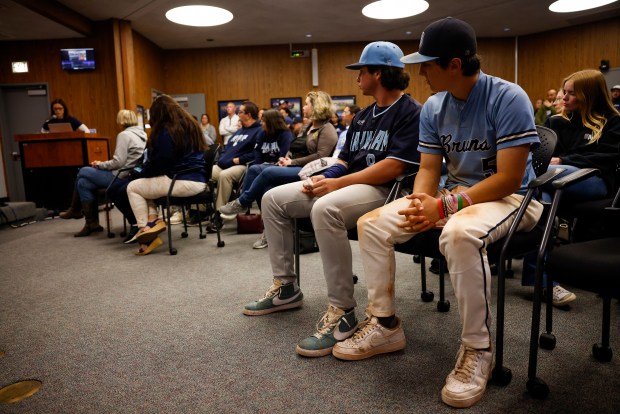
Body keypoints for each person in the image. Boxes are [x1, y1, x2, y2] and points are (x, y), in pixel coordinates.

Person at [331, 18, 543, 409]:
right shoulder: (434, 105)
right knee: (371, 224)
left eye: (427, 64)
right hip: (457, 194)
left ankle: (478, 349)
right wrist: (419, 205)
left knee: (458, 234)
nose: (420, 72)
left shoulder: (508, 97)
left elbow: (511, 178)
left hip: (513, 200)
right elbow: (428, 169)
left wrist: (444, 207)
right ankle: (385, 324)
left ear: (454, 66)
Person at [242, 41, 421, 358]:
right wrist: (325, 176)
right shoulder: (363, 116)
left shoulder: (410, 112)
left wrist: (338, 183)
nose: (357, 79)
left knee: (326, 208)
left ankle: (343, 310)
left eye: (361, 72)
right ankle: (286, 288)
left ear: (377, 73)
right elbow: (346, 159)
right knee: (272, 198)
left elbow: (395, 166)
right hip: (351, 183)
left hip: (388, 190)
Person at [522, 69, 620, 302]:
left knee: (537, 180)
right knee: (540, 194)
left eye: (571, 94)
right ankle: (546, 284)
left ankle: (511, 201)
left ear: (590, 95)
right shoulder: (557, 122)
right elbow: (539, 156)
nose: (563, 98)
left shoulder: (613, 122)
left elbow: (607, 158)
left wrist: (565, 160)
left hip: (595, 181)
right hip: (554, 180)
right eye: (564, 92)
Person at [219, 94, 337, 248]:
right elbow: (294, 148)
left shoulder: (327, 129)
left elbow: (321, 156)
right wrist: (285, 159)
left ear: (317, 106)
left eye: (307, 104)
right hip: (294, 165)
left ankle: (242, 202)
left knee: (267, 173)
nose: (303, 107)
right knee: (255, 170)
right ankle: (268, 229)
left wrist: (292, 161)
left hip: (310, 172)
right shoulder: (307, 126)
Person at [126, 95, 208, 255]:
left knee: (133, 187)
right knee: (146, 187)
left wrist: (139, 174)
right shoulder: (192, 125)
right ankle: (153, 220)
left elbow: (161, 164)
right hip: (200, 180)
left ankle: (145, 233)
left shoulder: (166, 131)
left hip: (180, 181)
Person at [58, 109, 146, 237]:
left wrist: (100, 164)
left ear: (121, 120)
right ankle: (91, 224)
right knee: (83, 183)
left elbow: (118, 162)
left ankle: (76, 210)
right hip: (129, 174)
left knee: (83, 171)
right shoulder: (142, 134)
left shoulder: (124, 135)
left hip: (119, 175)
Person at [211, 101, 262, 213]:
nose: (238, 114)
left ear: (248, 115)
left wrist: (239, 159)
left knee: (224, 175)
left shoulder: (259, 131)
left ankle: (219, 213)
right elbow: (227, 148)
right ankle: (200, 212)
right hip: (224, 164)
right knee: (204, 172)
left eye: (240, 112)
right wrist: (222, 158)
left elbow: (257, 153)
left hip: (242, 166)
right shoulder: (238, 132)